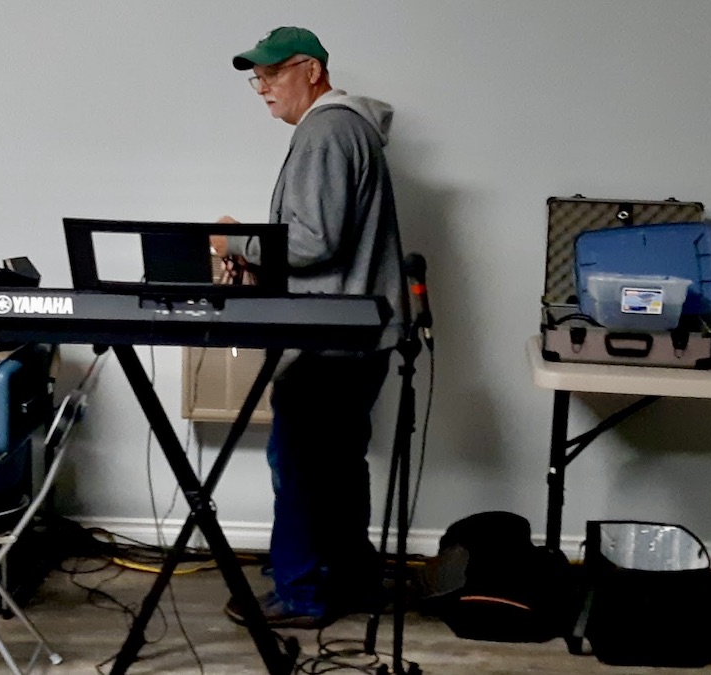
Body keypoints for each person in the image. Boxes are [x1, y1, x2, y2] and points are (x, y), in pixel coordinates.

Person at [213, 26, 408, 629]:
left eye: (274, 73)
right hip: (360, 332)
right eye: (258, 78)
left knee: (297, 459)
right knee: (340, 461)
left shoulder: (325, 130)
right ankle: (351, 579)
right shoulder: (348, 129)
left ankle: (301, 593)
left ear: (313, 71)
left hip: (335, 337)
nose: (264, 87)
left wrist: (233, 241)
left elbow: (316, 241)